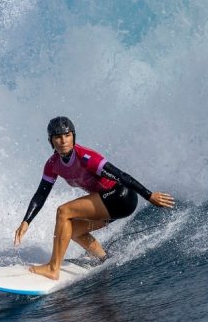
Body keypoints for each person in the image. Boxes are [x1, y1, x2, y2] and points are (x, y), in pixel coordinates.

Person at [13, 116, 174, 280]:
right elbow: (41, 193)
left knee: (63, 211)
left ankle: (53, 268)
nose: (63, 140)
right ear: (51, 141)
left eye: (67, 135)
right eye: (58, 137)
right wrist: (26, 221)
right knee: (71, 231)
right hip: (108, 203)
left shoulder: (86, 157)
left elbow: (121, 176)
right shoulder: (52, 164)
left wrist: (149, 195)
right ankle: (103, 258)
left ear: (73, 136)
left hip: (120, 197)